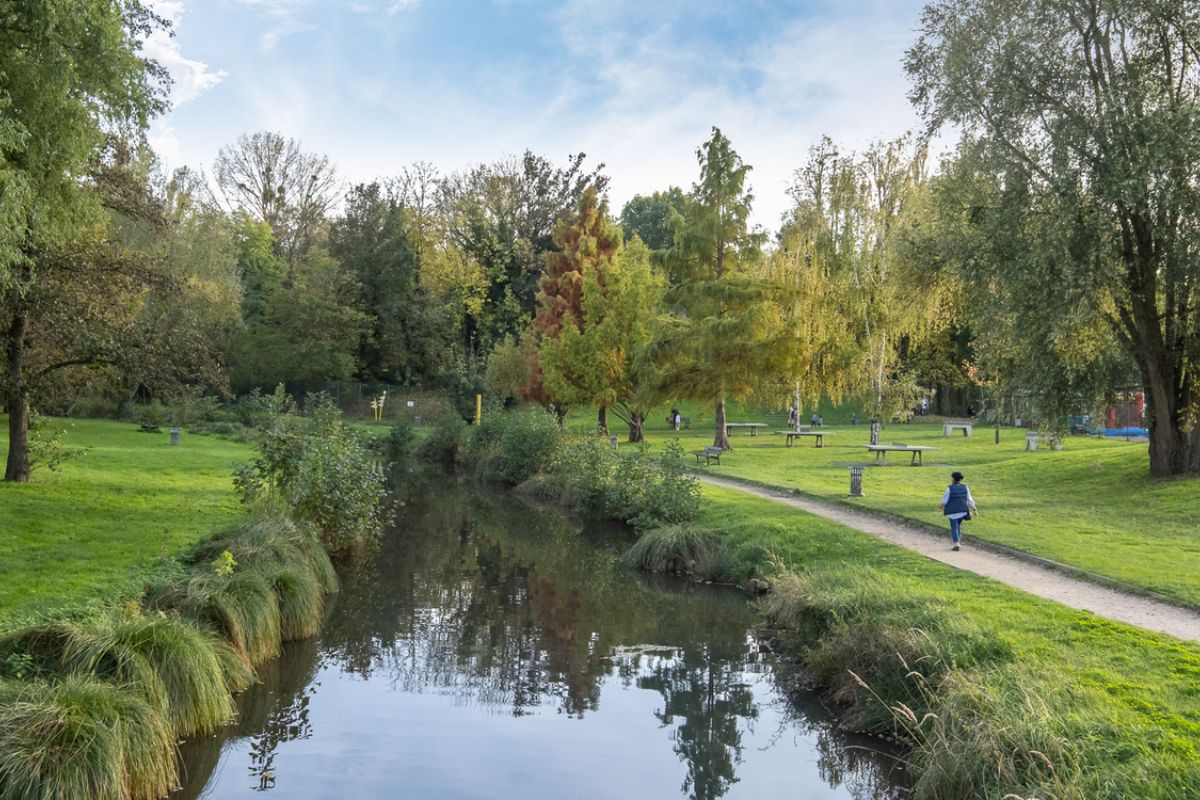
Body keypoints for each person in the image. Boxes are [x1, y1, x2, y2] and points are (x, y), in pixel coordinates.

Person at [938, 471, 978, 551]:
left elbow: (944, 500)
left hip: (953, 512)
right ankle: (958, 542)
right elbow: (969, 499)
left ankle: (956, 544)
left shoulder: (949, 488)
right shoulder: (965, 487)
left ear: (953, 478)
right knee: (958, 526)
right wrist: (974, 509)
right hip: (962, 511)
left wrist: (940, 507)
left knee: (954, 527)